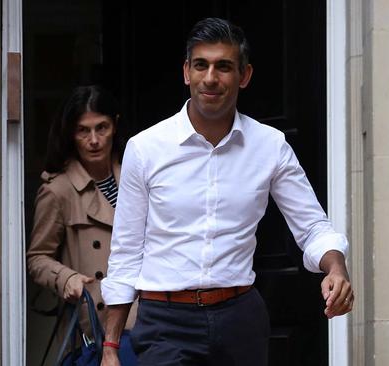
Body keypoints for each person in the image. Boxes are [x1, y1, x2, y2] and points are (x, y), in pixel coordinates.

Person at [101, 18, 353, 366]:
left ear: (244, 75)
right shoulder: (145, 148)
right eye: (201, 65)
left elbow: (312, 226)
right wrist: (110, 347)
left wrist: (335, 268)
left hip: (239, 319)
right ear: (187, 72)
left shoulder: (269, 146)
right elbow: (127, 250)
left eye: (224, 67)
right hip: (165, 322)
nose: (210, 78)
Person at [26, 85, 136, 350]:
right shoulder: (58, 190)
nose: (94, 140)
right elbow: (37, 258)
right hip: (96, 326)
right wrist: (66, 278)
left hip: (146, 319)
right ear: (71, 134)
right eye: (83, 131)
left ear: (115, 125)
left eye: (102, 127)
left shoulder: (137, 175)